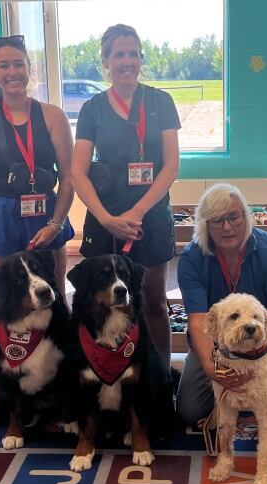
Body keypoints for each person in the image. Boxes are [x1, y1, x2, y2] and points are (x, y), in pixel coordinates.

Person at [176, 183, 267, 442]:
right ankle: (228, 403)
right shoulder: (191, 257)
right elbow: (197, 322)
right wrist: (211, 368)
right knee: (189, 410)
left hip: (264, 337)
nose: (227, 227)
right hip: (218, 343)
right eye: (217, 220)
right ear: (205, 225)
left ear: (245, 215)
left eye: (233, 216)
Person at [70, 24, 180, 364]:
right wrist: (107, 220)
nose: (127, 61)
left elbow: (171, 165)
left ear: (141, 58)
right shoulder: (93, 109)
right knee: (100, 302)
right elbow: (77, 172)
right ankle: (106, 371)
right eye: (119, 54)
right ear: (106, 60)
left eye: (133, 53)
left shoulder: (161, 102)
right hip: (105, 220)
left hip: (151, 219)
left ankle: (160, 376)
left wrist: (137, 214)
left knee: (153, 302)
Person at [0, 34, 74, 297]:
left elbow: (69, 178)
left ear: (29, 69)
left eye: (19, 64)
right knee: (6, 301)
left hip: (45, 215)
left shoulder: (53, 115)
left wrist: (55, 224)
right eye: (3, 66)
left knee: (52, 297)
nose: (12, 72)